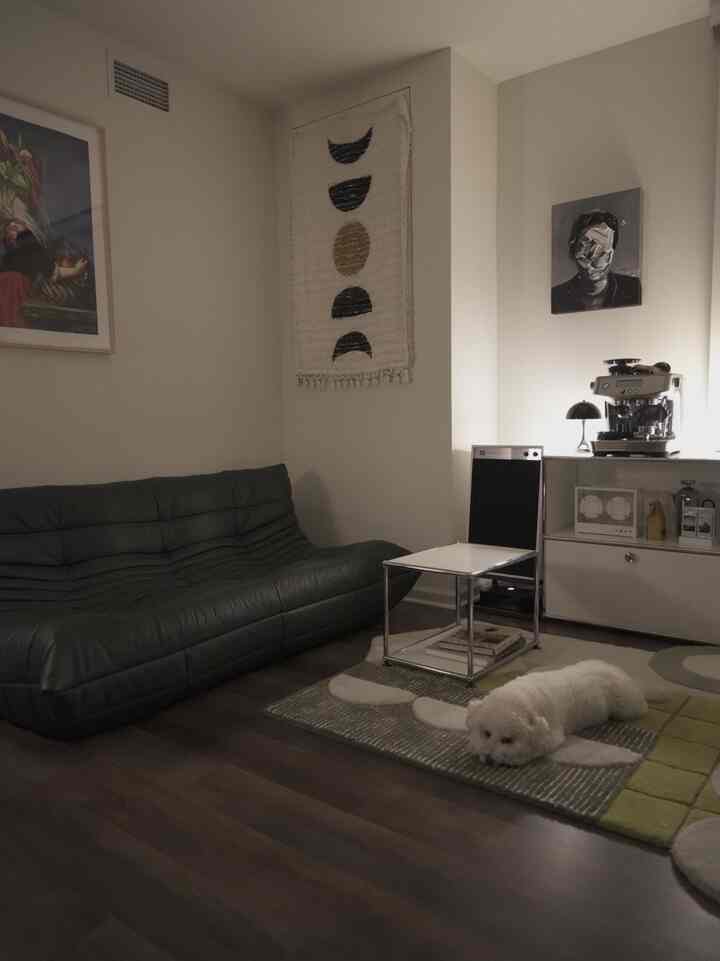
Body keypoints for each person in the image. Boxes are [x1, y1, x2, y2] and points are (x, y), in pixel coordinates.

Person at [0, 219, 88, 327]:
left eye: (17, 228)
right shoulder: (7, 256)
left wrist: (75, 271)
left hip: (15, 288)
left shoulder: (33, 253)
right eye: (10, 228)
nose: (14, 230)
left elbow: (51, 270)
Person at [551, 209, 641, 314]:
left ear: (611, 255)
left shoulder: (633, 288)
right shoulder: (556, 296)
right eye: (586, 244)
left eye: (602, 247)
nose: (593, 256)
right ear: (573, 249)